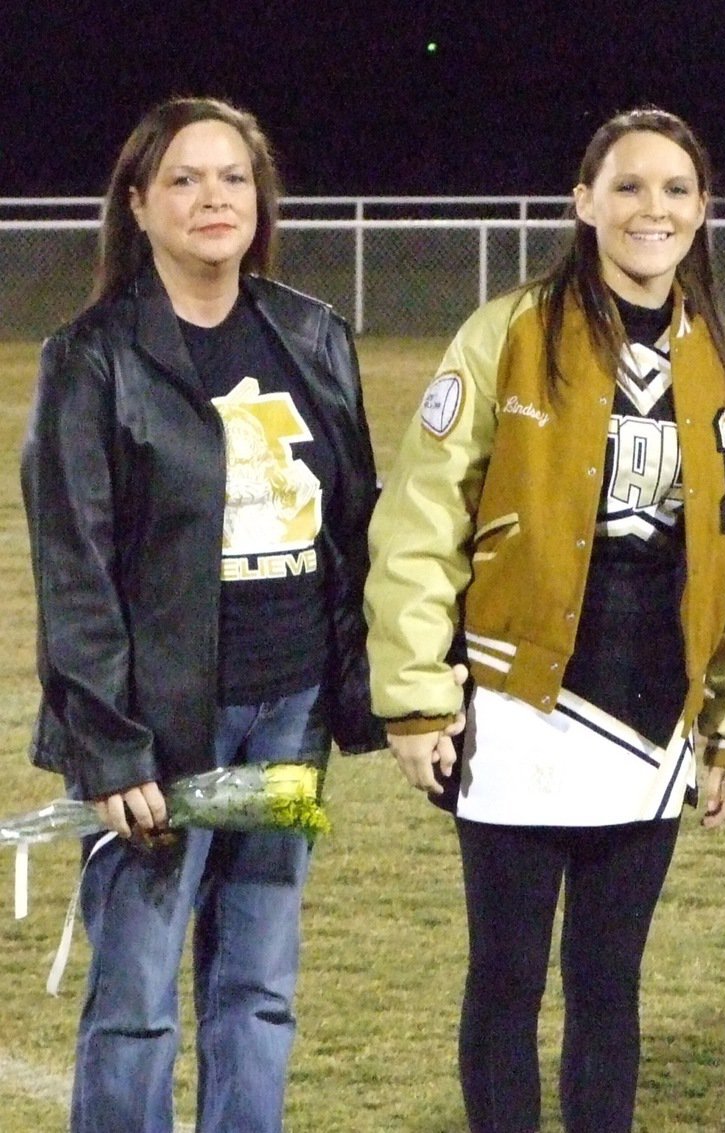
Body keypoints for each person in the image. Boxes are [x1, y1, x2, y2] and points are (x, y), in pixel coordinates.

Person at [365, 106, 725, 1132]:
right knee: (505, 981)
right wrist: (418, 699)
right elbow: (421, 520)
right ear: (585, 203)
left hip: (654, 722)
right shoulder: (505, 333)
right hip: (515, 700)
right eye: (630, 186)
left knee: (611, 986)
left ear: (703, 211)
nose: (654, 207)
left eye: (677, 189)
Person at [21, 96, 387, 1132]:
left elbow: (356, 525)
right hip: (163, 731)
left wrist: (364, 688)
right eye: (183, 178)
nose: (212, 197)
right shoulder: (91, 357)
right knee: (136, 1004)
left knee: (259, 988)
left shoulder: (314, 335)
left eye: (233, 176)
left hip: (289, 713)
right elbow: (74, 568)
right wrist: (112, 743)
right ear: (137, 204)